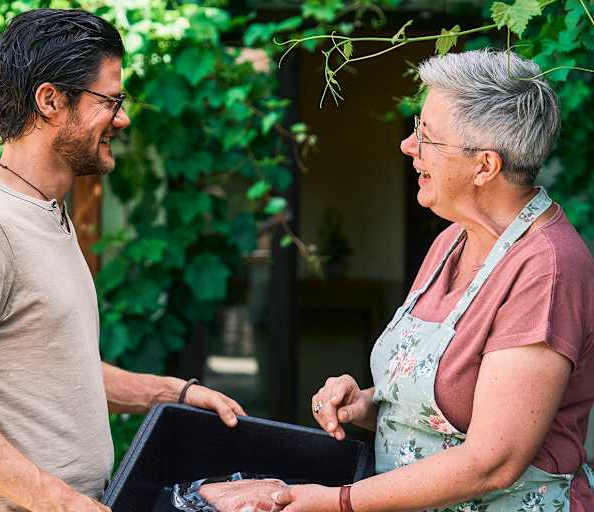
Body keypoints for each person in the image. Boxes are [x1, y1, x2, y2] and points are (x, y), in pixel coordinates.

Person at [208, 49, 594, 512]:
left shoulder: (547, 269)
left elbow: (493, 461)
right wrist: (369, 405)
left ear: (485, 166)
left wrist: (337, 502)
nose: (409, 146)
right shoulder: (452, 239)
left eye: (427, 136)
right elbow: (451, 409)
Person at [0, 9, 245, 512]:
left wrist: (173, 393)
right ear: (50, 101)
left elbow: (57, 370)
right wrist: (61, 502)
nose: (122, 119)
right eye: (109, 101)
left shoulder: (46, 214)